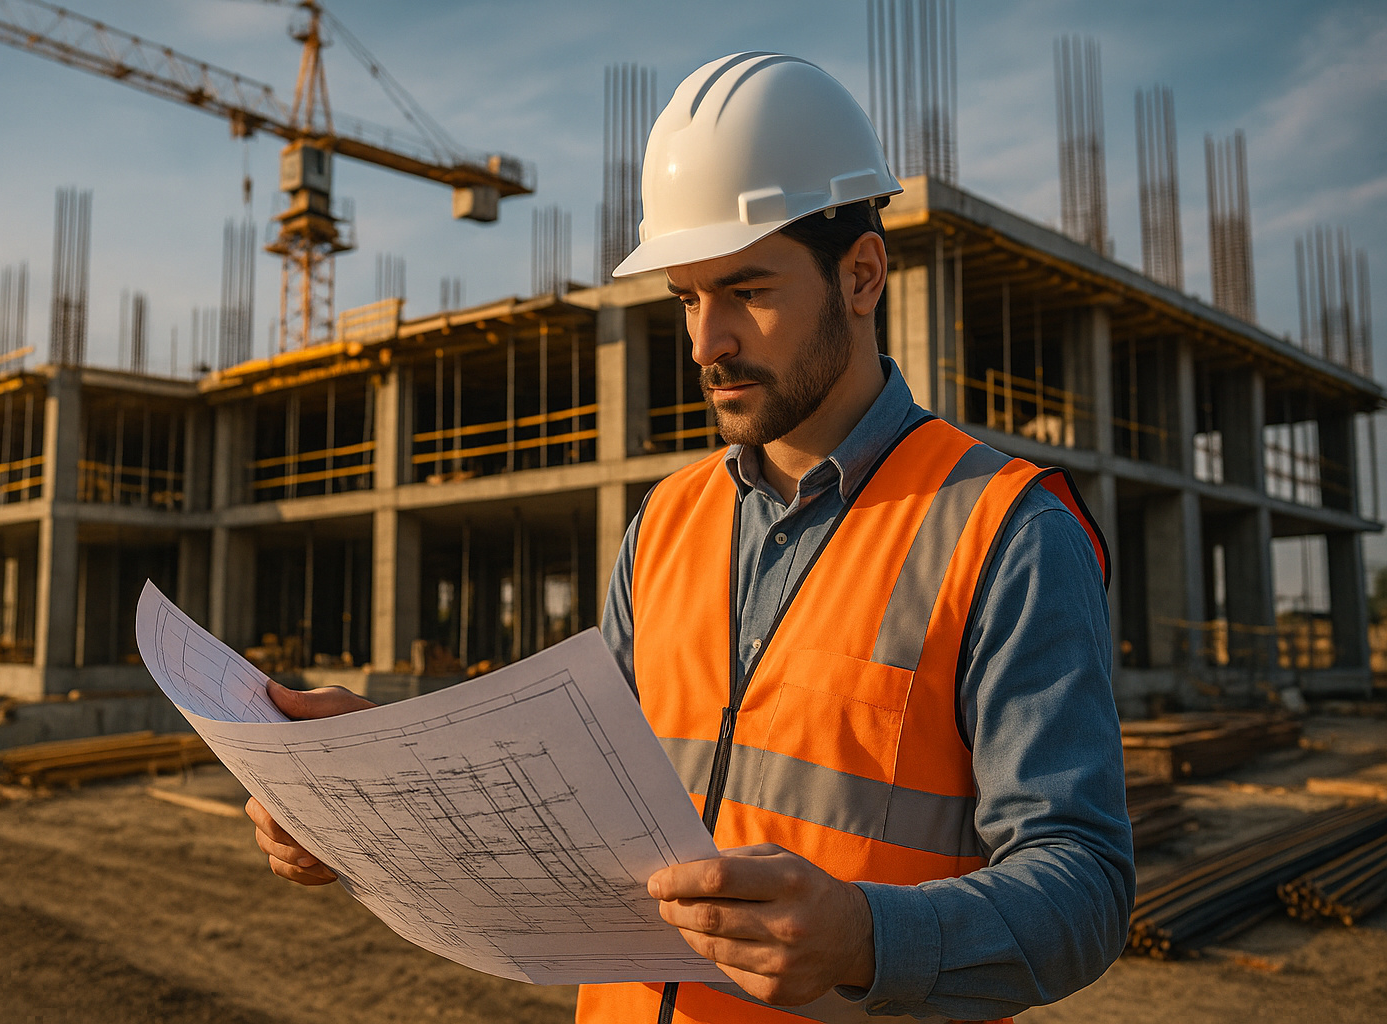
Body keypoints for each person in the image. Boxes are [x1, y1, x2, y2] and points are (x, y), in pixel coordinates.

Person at [248, 52, 1133, 1024]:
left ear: (863, 275)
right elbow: (582, 799)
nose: (707, 342)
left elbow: (1085, 890)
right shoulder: (666, 523)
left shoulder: (1004, 530)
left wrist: (865, 937)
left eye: (748, 290)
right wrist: (373, 789)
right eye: (685, 298)